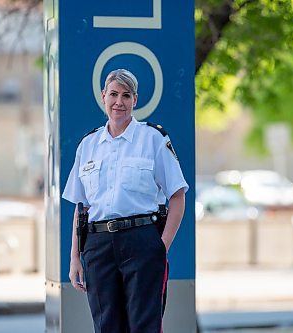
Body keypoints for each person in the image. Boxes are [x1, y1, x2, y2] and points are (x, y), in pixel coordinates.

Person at [62, 68, 188, 333]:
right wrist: (75, 258)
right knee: (106, 326)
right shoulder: (88, 144)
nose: (119, 101)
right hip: (97, 246)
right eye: (114, 94)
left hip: (141, 241)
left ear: (135, 100)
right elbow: (81, 207)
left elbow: (177, 196)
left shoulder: (153, 139)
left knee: (143, 325)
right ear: (103, 97)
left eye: (126, 95)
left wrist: (159, 247)